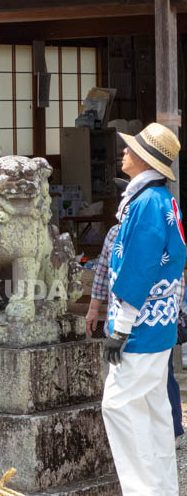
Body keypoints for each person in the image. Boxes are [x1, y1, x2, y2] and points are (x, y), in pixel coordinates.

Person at [101, 122, 186, 495]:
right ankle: (161, 489)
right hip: (158, 323)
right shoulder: (160, 199)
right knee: (153, 412)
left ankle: (143, 490)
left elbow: (139, 268)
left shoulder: (148, 203)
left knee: (119, 407)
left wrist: (120, 328)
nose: (124, 151)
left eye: (131, 148)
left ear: (145, 159)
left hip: (140, 327)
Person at [89, 220, 185, 448]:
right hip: (118, 322)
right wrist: (93, 308)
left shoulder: (160, 229)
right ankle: (133, 434)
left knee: (160, 378)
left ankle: (172, 431)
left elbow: (176, 277)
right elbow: (103, 271)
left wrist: (169, 314)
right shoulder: (114, 232)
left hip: (153, 325)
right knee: (122, 380)